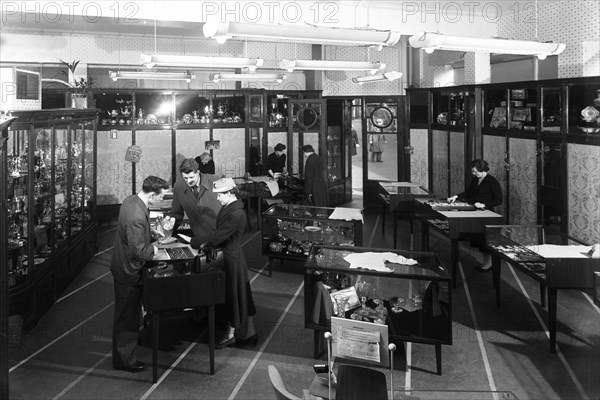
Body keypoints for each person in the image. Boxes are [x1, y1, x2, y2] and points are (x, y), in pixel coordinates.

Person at [110, 175, 169, 373]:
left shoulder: (131, 200)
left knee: (127, 314)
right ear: (152, 194)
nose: (162, 200)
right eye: (161, 197)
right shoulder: (136, 216)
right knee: (127, 318)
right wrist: (154, 248)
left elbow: (132, 235)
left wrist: (151, 234)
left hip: (121, 266)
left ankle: (125, 353)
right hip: (129, 271)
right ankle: (125, 360)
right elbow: (138, 252)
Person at [191, 177, 257, 348]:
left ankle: (232, 335)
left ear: (229, 193)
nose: (218, 198)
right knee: (241, 294)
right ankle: (248, 331)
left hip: (231, 259)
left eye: (220, 195)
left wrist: (194, 242)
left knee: (234, 296)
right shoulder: (231, 207)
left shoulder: (235, 214)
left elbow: (218, 237)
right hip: (231, 256)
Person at [447, 159, 503, 272]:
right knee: (478, 239)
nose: (473, 173)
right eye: (472, 171)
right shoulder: (475, 179)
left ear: (482, 169)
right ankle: (486, 262)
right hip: (476, 212)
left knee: (485, 239)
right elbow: (468, 192)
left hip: (487, 214)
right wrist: (456, 196)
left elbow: (499, 200)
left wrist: (484, 204)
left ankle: (489, 263)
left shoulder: (492, 181)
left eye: (475, 171)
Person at [171, 158, 221, 244]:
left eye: (191, 177)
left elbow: (232, 207)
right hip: (198, 235)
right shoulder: (178, 187)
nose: (189, 181)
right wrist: (168, 232)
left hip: (220, 233)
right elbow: (177, 214)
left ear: (198, 172)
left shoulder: (216, 181)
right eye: (185, 178)